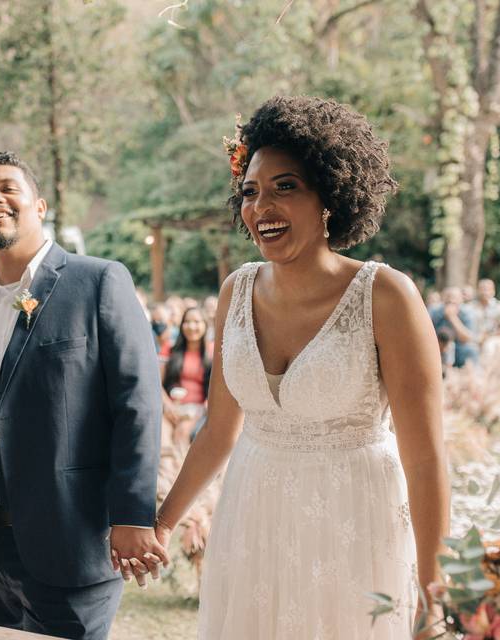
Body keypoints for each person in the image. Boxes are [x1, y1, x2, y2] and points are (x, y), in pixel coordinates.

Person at [154, 96, 449, 639]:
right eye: (250, 192)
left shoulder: (385, 295)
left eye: (284, 187)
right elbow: (220, 430)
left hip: (354, 523)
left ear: (329, 197)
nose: (261, 206)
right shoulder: (235, 290)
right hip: (253, 516)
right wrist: (164, 522)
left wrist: (434, 592)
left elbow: (426, 457)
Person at [0, 151, 165, 640]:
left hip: (74, 538)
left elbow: (136, 403)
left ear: (39, 206)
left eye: (7, 188)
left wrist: (132, 515)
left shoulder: (98, 281)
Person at [161, 307, 213, 446]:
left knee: (182, 434)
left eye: (196, 322)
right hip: (171, 407)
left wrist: (206, 409)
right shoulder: (171, 350)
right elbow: (158, 384)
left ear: (205, 325)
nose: (191, 326)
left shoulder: (212, 353)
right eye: (187, 322)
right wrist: (168, 406)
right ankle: (168, 468)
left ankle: (181, 468)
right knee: (163, 437)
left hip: (197, 409)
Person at [430, 286, 480, 367]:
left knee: (472, 350)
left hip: (459, 347)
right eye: (448, 297)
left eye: (454, 297)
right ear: (443, 298)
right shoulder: (434, 311)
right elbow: (426, 334)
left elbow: (467, 338)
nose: (451, 300)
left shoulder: (467, 313)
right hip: (437, 346)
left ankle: (472, 374)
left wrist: (452, 317)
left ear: (461, 299)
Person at [472, 278, 500, 355]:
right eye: (482, 289)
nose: (485, 292)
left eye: (488, 289)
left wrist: (487, 337)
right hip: (474, 337)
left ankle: (487, 366)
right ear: (477, 291)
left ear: (493, 291)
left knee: (489, 346)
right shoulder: (471, 306)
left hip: (493, 337)